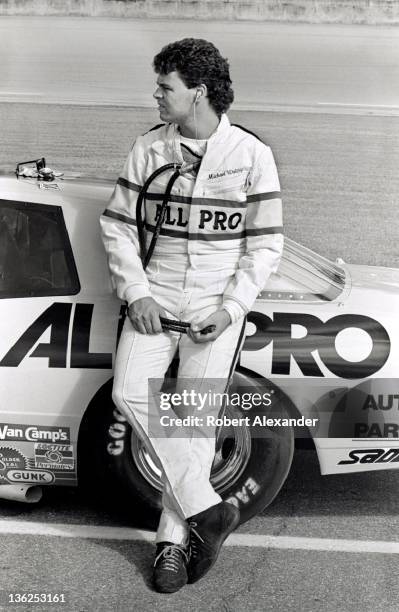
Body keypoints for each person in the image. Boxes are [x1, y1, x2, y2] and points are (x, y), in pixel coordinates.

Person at [100, 38, 283, 593]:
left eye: (166, 87)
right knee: (129, 393)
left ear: (198, 92)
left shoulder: (251, 155)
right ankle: (212, 511)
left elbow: (265, 246)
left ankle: (171, 547)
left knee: (197, 429)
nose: (157, 95)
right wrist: (137, 294)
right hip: (153, 303)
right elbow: (117, 226)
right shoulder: (149, 149)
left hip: (214, 311)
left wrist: (230, 311)